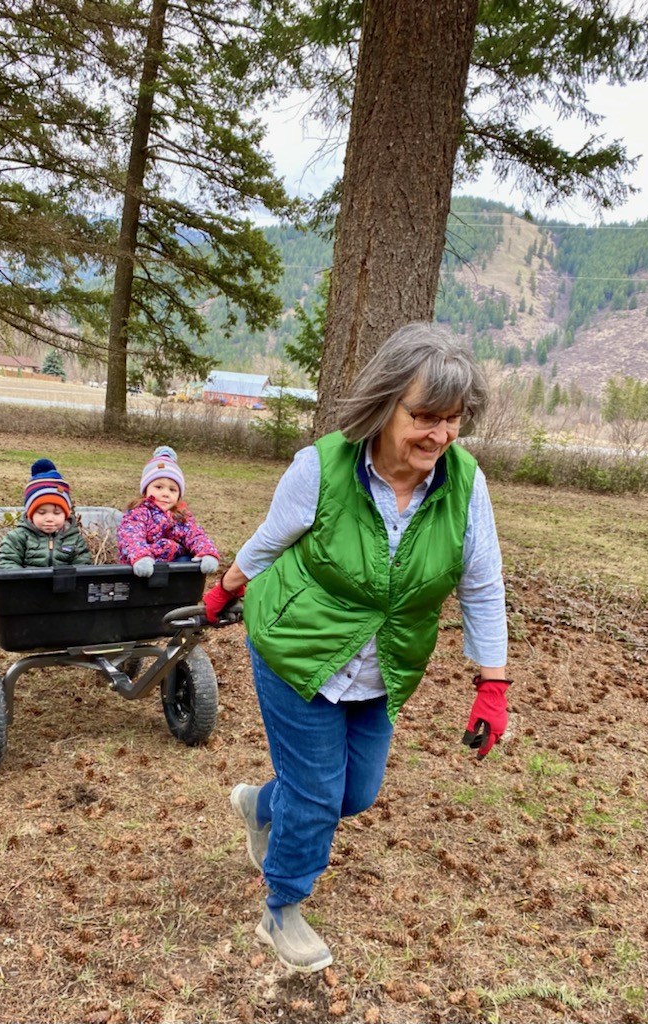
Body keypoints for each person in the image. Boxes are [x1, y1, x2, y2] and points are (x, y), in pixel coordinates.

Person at [202, 321, 511, 973]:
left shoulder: (465, 484)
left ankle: (261, 805)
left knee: (354, 793)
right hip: (297, 647)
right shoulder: (322, 466)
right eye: (424, 416)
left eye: (452, 419)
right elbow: (269, 540)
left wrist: (493, 683)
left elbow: (482, 584)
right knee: (317, 794)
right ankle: (282, 908)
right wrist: (224, 591)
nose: (440, 435)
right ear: (385, 403)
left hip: (383, 663)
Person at [117, 445, 220, 577]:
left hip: (173, 567)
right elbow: (131, 536)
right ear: (146, 489)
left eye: (172, 490)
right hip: (144, 566)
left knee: (187, 560)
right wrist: (141, 557)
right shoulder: (138, 513)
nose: (165, 494)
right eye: (159, 487)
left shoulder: (180, 516)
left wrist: (207, 552)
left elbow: (195, 535)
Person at [0, 459, 93, 568]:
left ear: (65, 515)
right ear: (31, 514)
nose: (49, 518)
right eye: (42, 513)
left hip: (62, 579)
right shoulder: (18, 537)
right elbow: (6, 562)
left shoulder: (74, 539)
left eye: (57, 513)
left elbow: (83, 565)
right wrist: (23, 576)